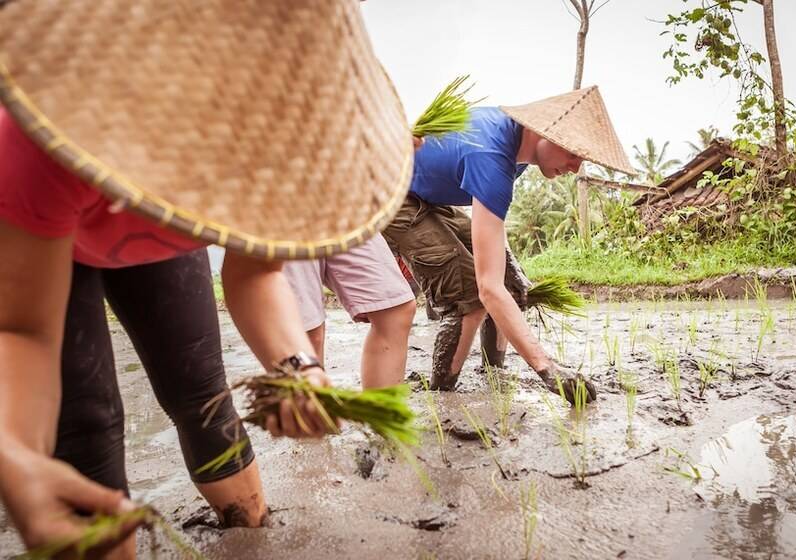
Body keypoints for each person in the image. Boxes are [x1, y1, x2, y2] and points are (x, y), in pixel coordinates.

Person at [0, 0, 413, 557]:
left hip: (152, 248)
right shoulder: (40, 132)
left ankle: (253, 537)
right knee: (86, 424)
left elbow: (256, 272)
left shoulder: (283, 145)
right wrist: (16, 454)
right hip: (44, 245)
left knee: (204, 395)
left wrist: (299, 367)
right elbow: (24, 331)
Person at [383, 86, 635, 398]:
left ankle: (493, 374)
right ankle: (442, 394)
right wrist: (547, 369)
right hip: (391, 196)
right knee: (469, 295)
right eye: (573, 153)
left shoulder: (518, 152)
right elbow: (487, 289)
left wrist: (509, 265)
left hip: (427, 194)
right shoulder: (491, 155)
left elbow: (491, 223)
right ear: (542, 132)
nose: (575, 168)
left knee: (511, 284)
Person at [283, 233, 417, 389]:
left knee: (394, 310)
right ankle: (309, 402)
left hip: (347, 221)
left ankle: (380, 404)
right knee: (307, 332)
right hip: (285, 226)